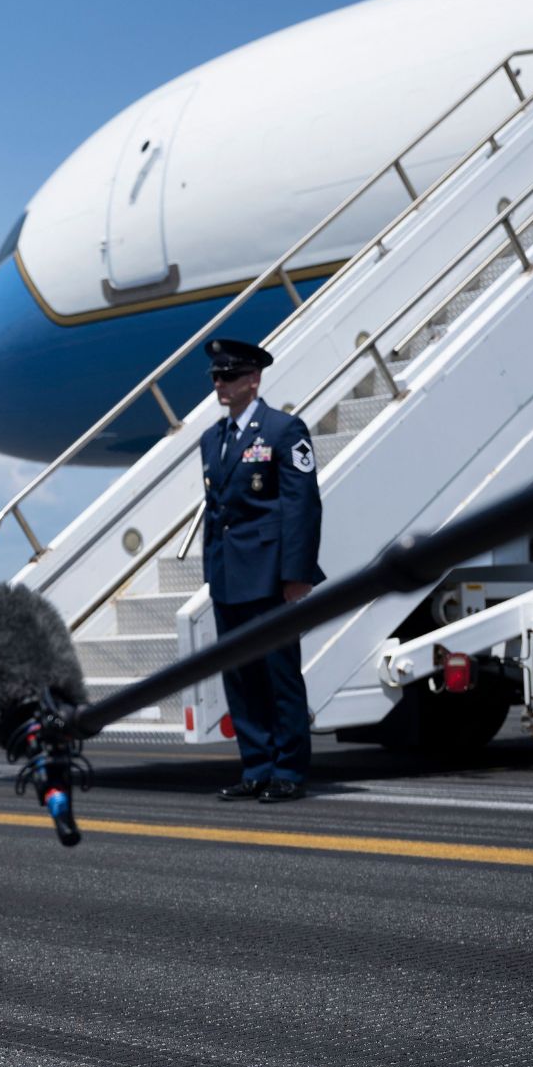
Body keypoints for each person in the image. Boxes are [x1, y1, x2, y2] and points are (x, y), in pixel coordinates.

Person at [198, 338, 325, 804]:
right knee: (241, 676)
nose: (219, 383)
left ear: (253, 379)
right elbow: (216, 513)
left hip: (271, 575)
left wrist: (298, 573)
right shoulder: (212, 439)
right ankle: (257, 766)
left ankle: (289, 770)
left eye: (228, 375)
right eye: (215, 376)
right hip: (229, 576)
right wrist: (213, 571)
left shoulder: (283, 430)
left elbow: (302, 507)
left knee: (279, 675)